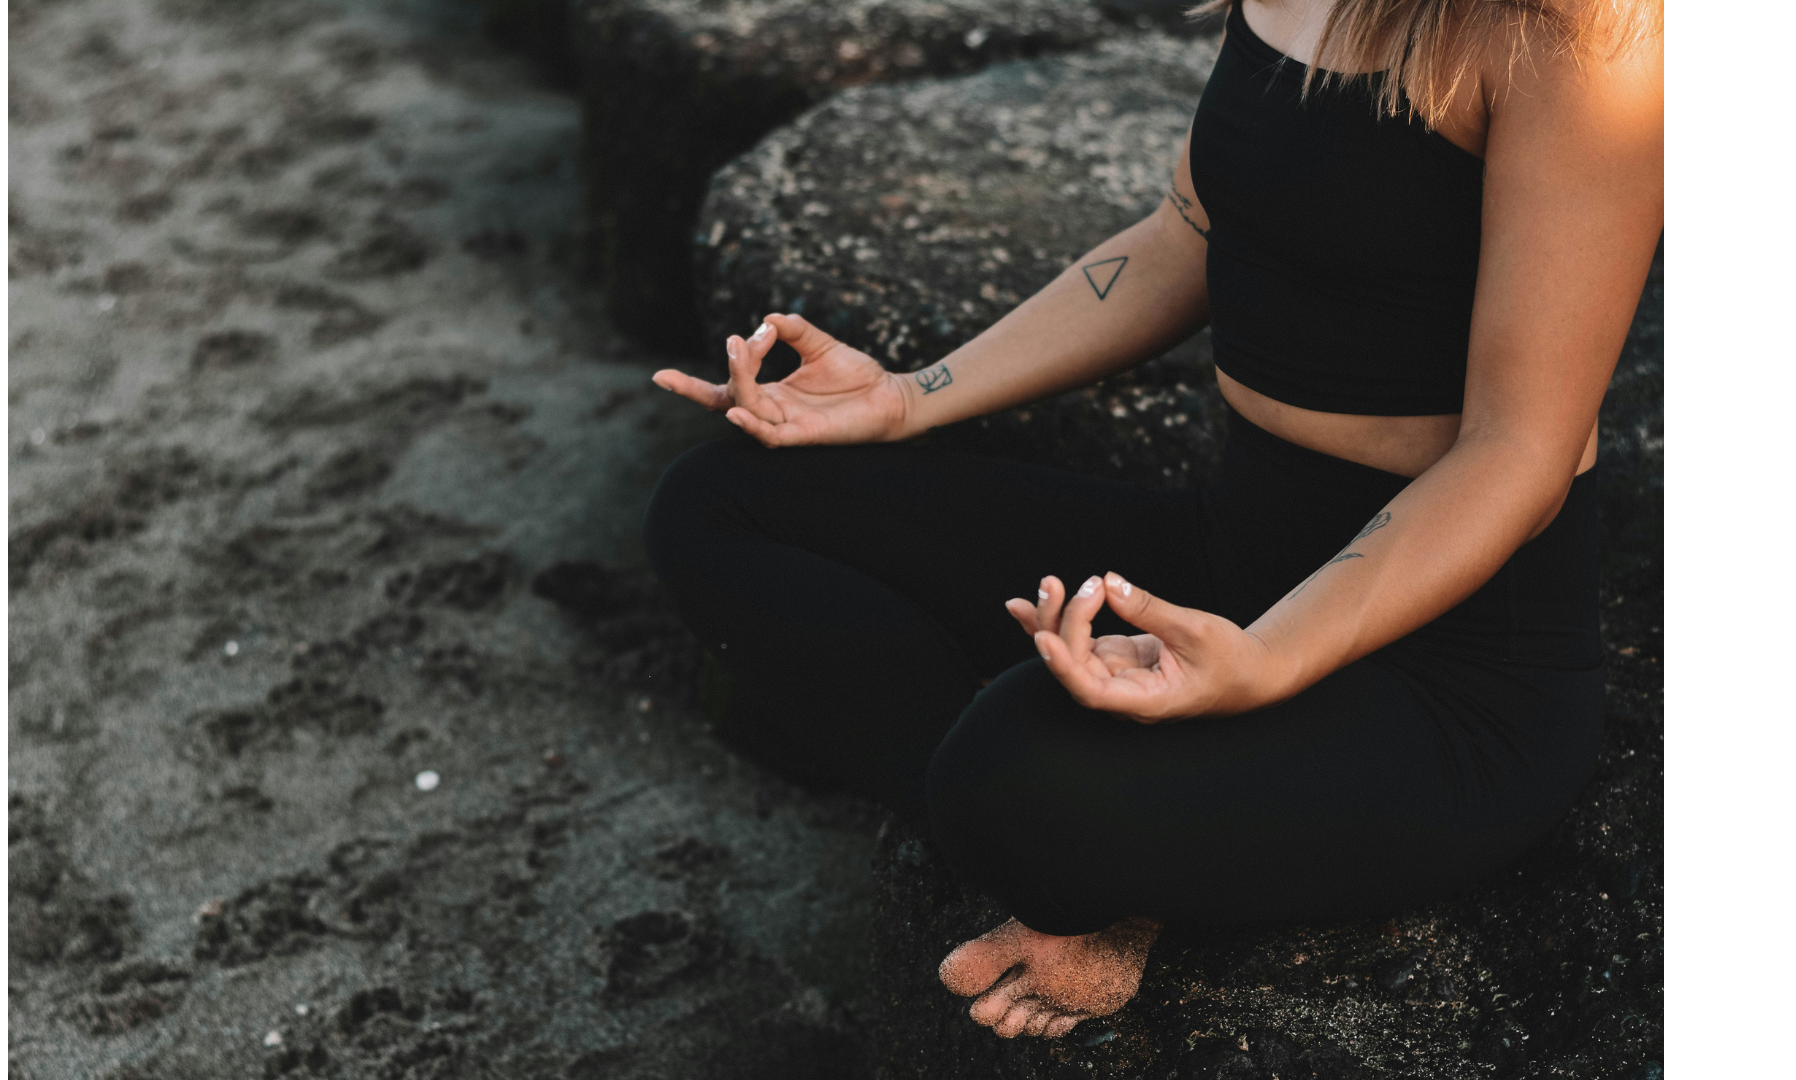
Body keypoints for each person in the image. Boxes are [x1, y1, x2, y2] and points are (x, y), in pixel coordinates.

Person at [642, 0, 1661, 1041]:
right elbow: (1190, 234)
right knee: (725, 507)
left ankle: (1083, 842)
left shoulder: (1588, 44)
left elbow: (1519, 451)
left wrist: (1263, 661)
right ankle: (1088, 846)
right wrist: (910, 396)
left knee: (1014, 767)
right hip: (1234, 552)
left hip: (1447, 668)